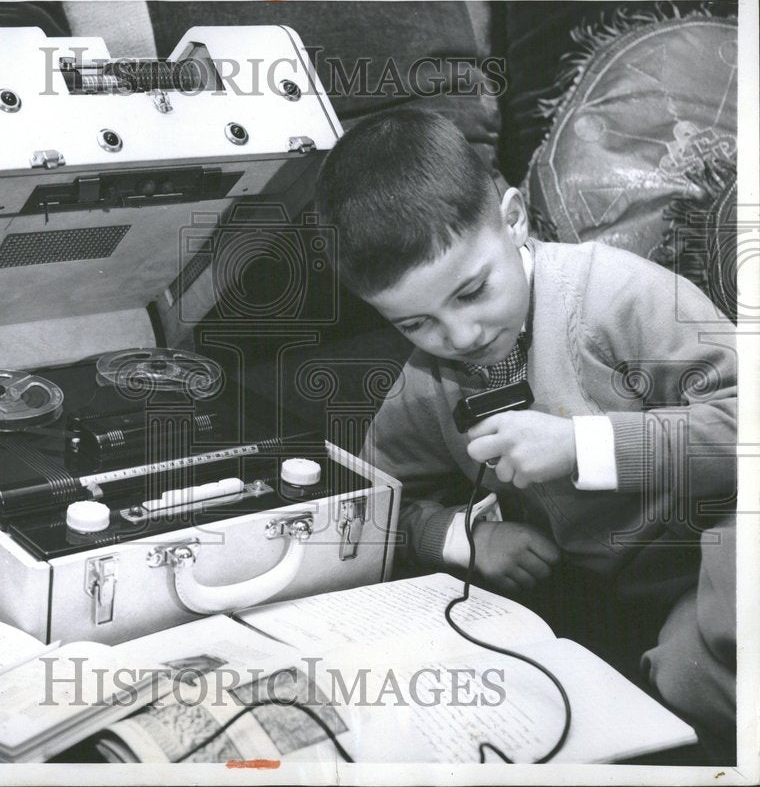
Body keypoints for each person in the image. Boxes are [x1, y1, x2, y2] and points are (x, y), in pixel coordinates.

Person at [315, 107, 737, 750]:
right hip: (610, 599)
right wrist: (464, 537)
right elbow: (370, 502)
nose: (459, 337)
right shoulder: (427, 382)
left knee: (701, 669)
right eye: (414, 324)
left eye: (471, 292)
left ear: (514, 220)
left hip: (719, 548)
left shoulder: (622, 295)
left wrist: (581, 446)